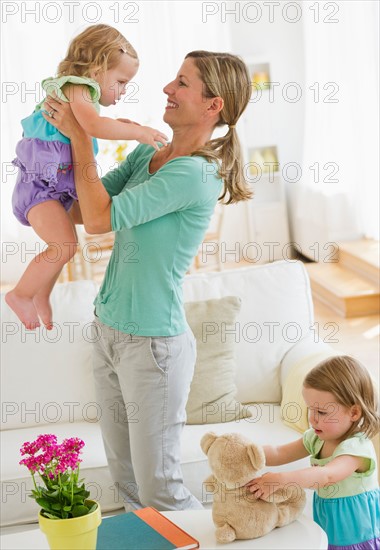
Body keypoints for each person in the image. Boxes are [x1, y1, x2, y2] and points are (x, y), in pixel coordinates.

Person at [41, 50, 253, 511]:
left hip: (152, 347)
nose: (166, 89)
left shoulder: (195, 173)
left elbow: (100, 220)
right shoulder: (148, 151)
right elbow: (81, 207)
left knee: (160, 488)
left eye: (182, 82)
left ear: (213, 105)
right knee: (128, 481)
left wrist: (82, 135)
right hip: (108, 329)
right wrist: (40, 187)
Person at [5, 24, 167, 331]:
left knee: (67, 243)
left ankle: (41, 294)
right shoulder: (77, 88)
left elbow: (91, 124)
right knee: (64, 245)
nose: (122, 90)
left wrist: (120, 123)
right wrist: (138, 132)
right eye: (120, 82)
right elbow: (93, 127)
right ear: (96, 68)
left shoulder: (80, 95)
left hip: (53, 187)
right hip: (40, 188)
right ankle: (20, 294)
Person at [247, 355, 380, 549]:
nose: (313, 419)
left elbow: (326, 475)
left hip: (357, 537)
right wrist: (247, 452)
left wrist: (281, 479)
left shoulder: (356, 449)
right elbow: (280, 452)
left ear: (353, 413)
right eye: (310, 409)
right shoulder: (316, 438)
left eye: (322, 412)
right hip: (328, 530)